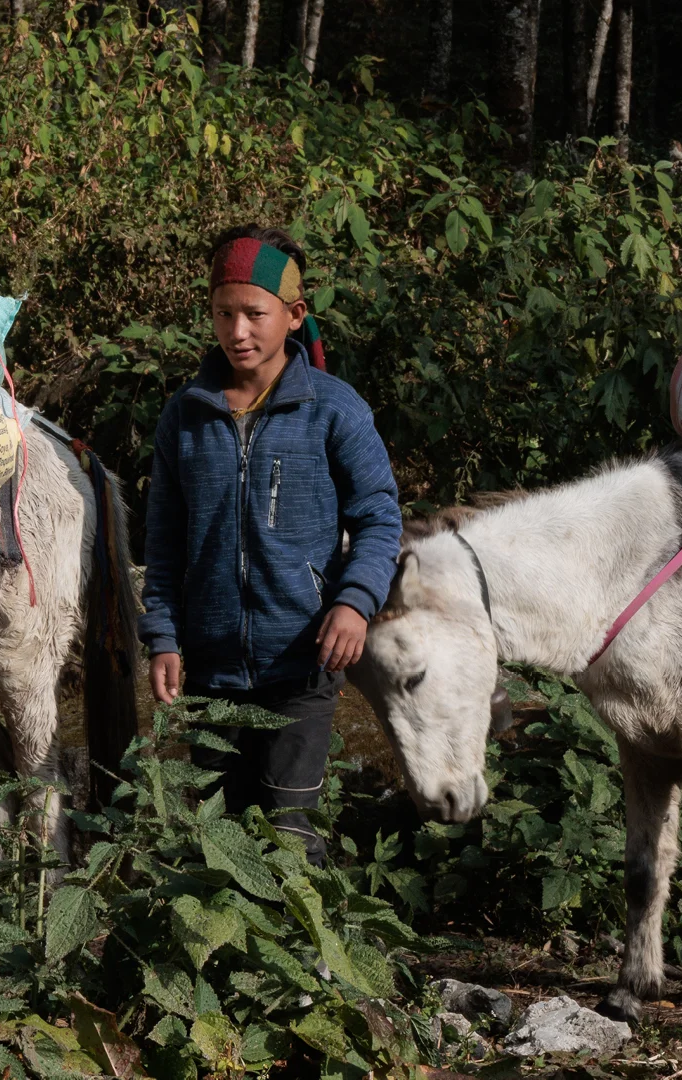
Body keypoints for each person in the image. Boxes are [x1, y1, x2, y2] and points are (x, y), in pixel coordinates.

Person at [138, 224, 402, 865]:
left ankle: (309, 959)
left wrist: (354, 601)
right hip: (209, 668)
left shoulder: (334, 410)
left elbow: (379, 518)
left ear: (294, 314)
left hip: (301, 665)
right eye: (223, 313)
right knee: (215, 841)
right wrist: (165, 637)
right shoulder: (187, 415)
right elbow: (165, 541)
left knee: (289, 835)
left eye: (254, 314)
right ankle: (220, 965)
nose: (238, 332)